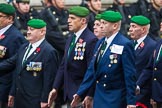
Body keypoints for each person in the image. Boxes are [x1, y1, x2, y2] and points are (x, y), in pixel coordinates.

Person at [71, 10, 136, 108]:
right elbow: (92, 70)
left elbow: (129, 75)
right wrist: (80, 93)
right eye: (100, 23)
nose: (101, 26)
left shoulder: (124, 44)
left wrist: (131, 101)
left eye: (104, 23)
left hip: (115, 97)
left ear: (114, 26)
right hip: (99, 95)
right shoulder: (100, 42)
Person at [0, 19, 59, 108]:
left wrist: (45, 99)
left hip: (35, 100)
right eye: (28, 29)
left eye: (32, 29)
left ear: (42, 32)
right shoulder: (24, 47)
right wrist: (12, 93)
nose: (28, 32)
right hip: (19, 98)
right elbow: (15, 68)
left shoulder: (48, 51)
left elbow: (49, 79)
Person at [48, 6, 98, 108]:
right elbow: (63, 65)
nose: (68, 21)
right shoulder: (71, 38)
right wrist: (55, 87)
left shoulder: (90, 40)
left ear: (83, 21)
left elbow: (91, 70)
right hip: (69, 92)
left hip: (81, 94)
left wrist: (89, 94)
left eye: (72, 18)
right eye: (69, 18)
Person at [0, 3, 26, 108]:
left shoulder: (16, 37)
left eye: (0, 16)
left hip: (4, 86)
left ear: (10, 19)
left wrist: (13, 91)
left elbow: (16, 63)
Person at [129, 15, 157, 108]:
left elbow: (149, 70)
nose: (130, 29)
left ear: (143, 29)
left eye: (134, 26)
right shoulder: (130, 43)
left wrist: (138, 85)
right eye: (130, 26)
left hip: (142, 93)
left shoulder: (151, 46)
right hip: (128, 90)